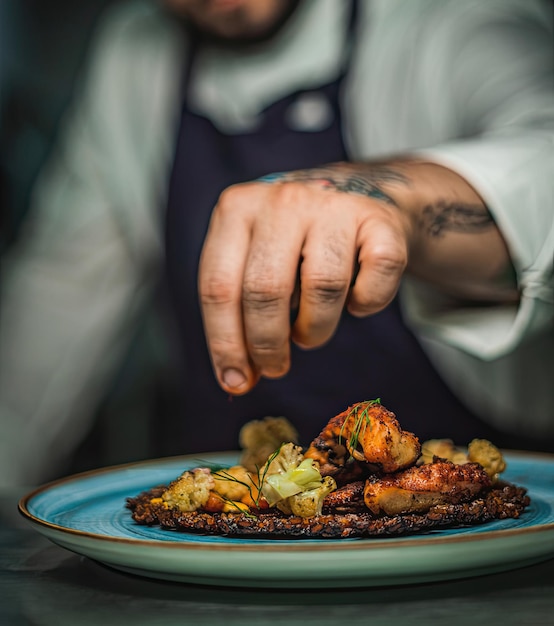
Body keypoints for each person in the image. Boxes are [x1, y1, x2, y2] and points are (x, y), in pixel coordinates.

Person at [1, 0, 553, 487]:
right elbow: (57, 292)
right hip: (227, 533)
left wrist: (392, 201)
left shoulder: (449, 17)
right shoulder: (134, 54)